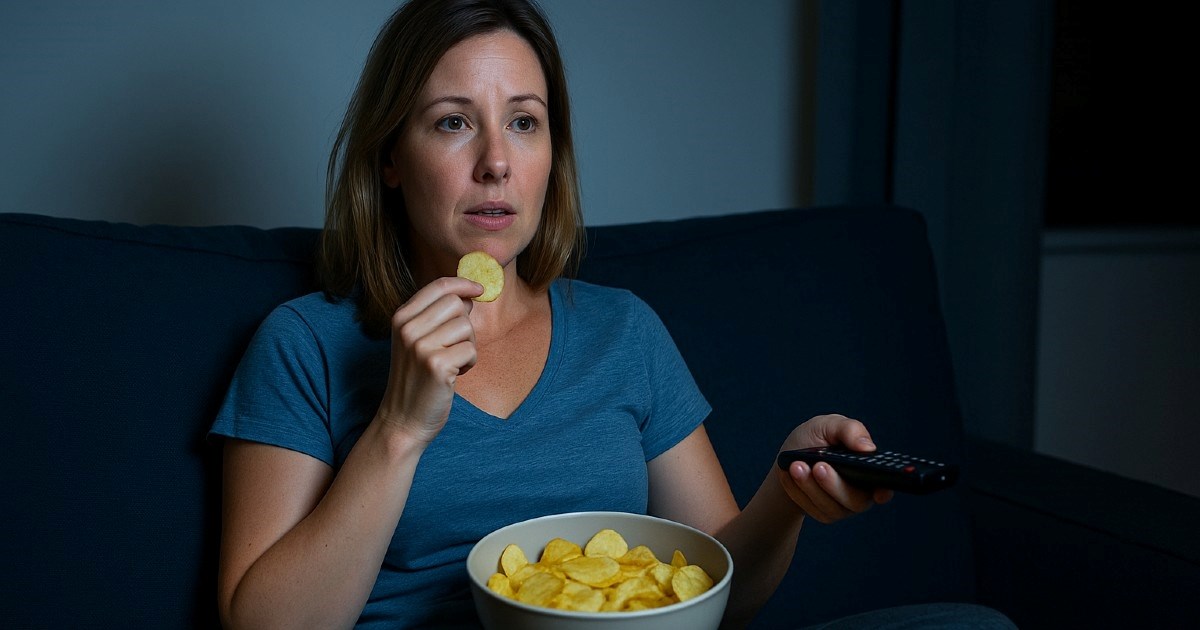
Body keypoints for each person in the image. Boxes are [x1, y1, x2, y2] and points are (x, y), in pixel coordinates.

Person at [209, 1, 1013, 628]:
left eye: (524, 122)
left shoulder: (623, 331)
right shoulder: (306, 343)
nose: (495, 161)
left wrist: (786, 490)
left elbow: (716, 602)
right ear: (390, 156)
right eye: (453, 122)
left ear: (551, 154)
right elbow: (267, 624)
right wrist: (400, 427)